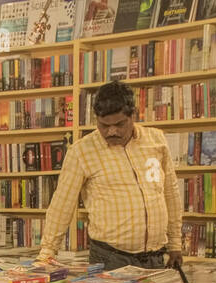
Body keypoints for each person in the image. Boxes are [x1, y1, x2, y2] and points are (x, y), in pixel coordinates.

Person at [37, 80, 183, 271]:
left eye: (119, 124)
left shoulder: (156, 140)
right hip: (110, 259)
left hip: (155, 258)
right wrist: (47, 253)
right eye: (104, 125)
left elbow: (169, 193)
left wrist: (175, 244)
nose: (111, 131)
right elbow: (61, 205)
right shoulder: (81, 151)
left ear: (133, 116)